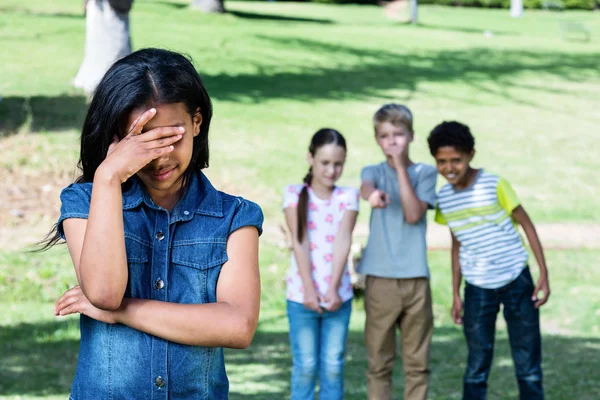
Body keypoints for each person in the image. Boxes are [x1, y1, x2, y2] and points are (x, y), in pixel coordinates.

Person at [45, 48, 263, 399]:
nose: (160, 156)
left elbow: (238, 326)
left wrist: (123, 313)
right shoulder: (85, 202)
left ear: (197, 121)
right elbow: (103, 293)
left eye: (170, 137)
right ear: (119, 138)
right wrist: (108, 176)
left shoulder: (236, 216)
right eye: (144, 141)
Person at [428, 121, 549, 400]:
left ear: (471, 154)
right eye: (441, 161)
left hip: (517, 279)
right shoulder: (445, 198)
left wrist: (543, 272)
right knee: (476, 366)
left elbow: (527, 226)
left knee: (528, 365)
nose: (449, 168)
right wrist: (456, 293)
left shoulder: (494, 184)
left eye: (456, 160)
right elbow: (456, 244)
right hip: (477, 288)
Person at [359, 104, 437, 400]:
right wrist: (373, 195)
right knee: (379, 363)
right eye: (384, 135)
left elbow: (413, 213)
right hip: (380, 280)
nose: (391, 141)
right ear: (377, 139)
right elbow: (366, 188)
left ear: (411, 136)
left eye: (398, 134)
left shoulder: (425, 173)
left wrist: (402, 168)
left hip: (416, 279)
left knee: (418, 364)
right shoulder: (373, 172)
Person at [282, 128, 359, 400]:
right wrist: (310, 291)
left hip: (338, 297)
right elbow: (299, 242)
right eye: (325, 162)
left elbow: (343, 241)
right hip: (301, 297)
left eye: (338, 163)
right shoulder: (293, 194)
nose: (331, 170)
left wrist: (333, 289)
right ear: (310, 158)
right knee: (305, 366)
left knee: (333, 365)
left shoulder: (348, 197)